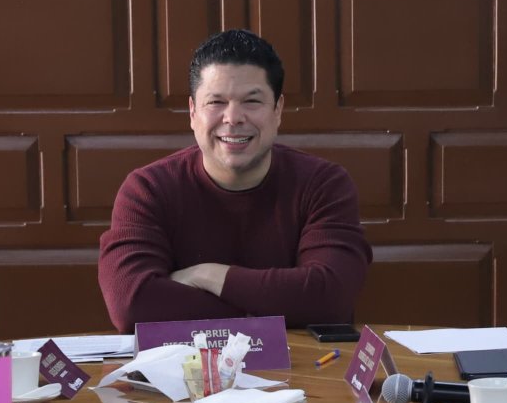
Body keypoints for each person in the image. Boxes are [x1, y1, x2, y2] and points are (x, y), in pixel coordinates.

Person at [98, 29, 371, 331]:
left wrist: (208, 276)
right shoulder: (148, 189)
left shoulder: (323, 184)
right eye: (216, 102)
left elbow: (330, 299)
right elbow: (130, 303)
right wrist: (281, 307)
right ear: (192, 112)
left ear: (278, 110)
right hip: (186, 362)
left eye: (251, 101)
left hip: (304, 360)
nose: (233, 118)